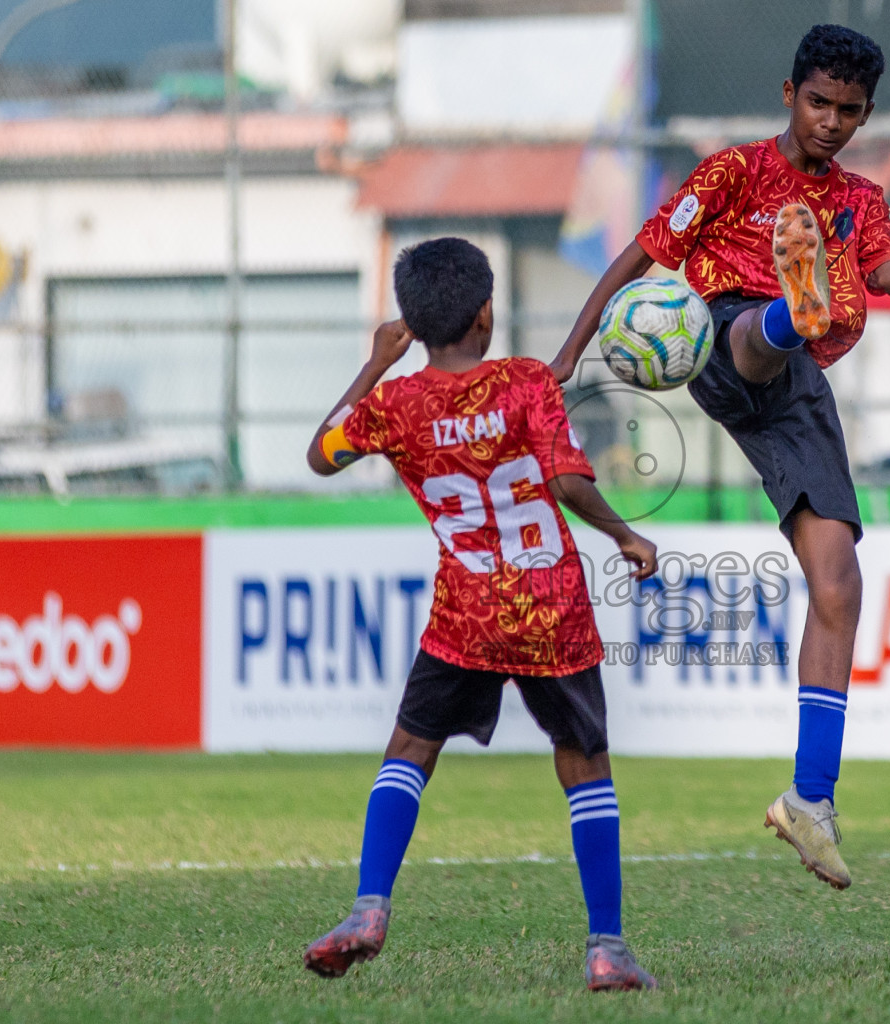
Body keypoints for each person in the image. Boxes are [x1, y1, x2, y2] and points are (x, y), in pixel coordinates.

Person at [551, 24, 890, 891]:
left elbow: (888, 271)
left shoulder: (861, 199)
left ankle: (811, 802)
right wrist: (573, 349)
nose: (831, 121)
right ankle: (795, 305)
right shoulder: (734, 172)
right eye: (819, 103)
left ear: (866, 117)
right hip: (720, 338)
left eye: (849, 111)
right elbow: (643, 253)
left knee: (838, 581)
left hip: (799, 389)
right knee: (759, 334)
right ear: (789, 94)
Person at [303, 237, 660, 991]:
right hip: (551, 610)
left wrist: (375, 365)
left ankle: (369, 910)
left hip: (465, 615)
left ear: (413, 322)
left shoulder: (394, 405)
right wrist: (624, 532)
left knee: (410, 750)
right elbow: (565, 479)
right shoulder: (524, 381)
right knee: (584, 764)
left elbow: (320, 455)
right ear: (486, 312)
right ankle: (607, 948)